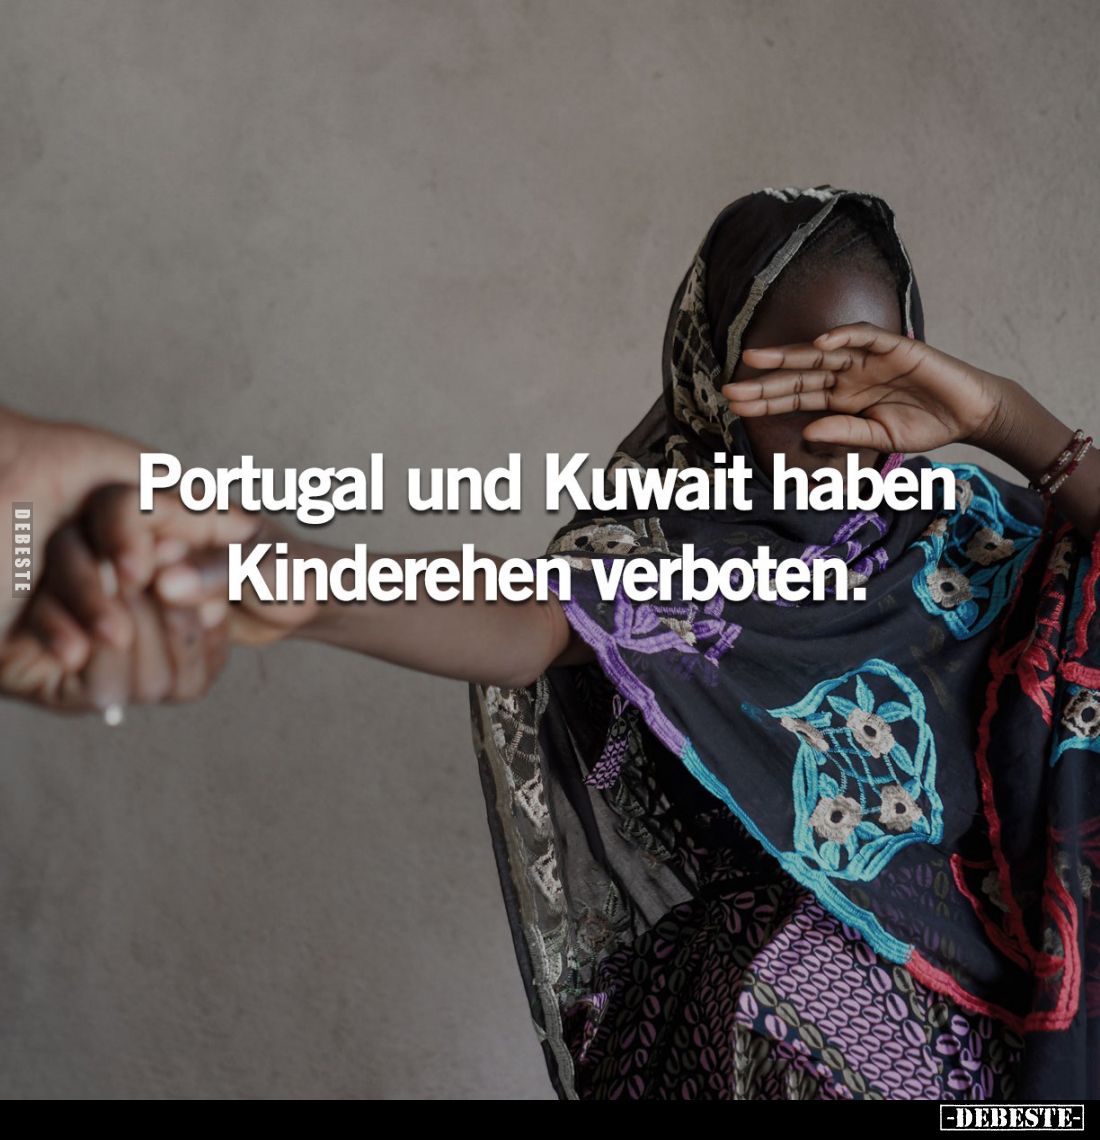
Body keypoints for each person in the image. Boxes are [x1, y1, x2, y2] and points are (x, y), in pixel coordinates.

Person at [15, 185, 1100, 1100]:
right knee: (760, 978)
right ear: (714, 382)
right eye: (790, 387)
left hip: (1040, 1034)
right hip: (790, 1025)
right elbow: (526, 620)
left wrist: (1006, 418)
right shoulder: (689, 554)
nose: (830, 433)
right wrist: (295, 577)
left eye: (866, 384)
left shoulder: (976, 527)